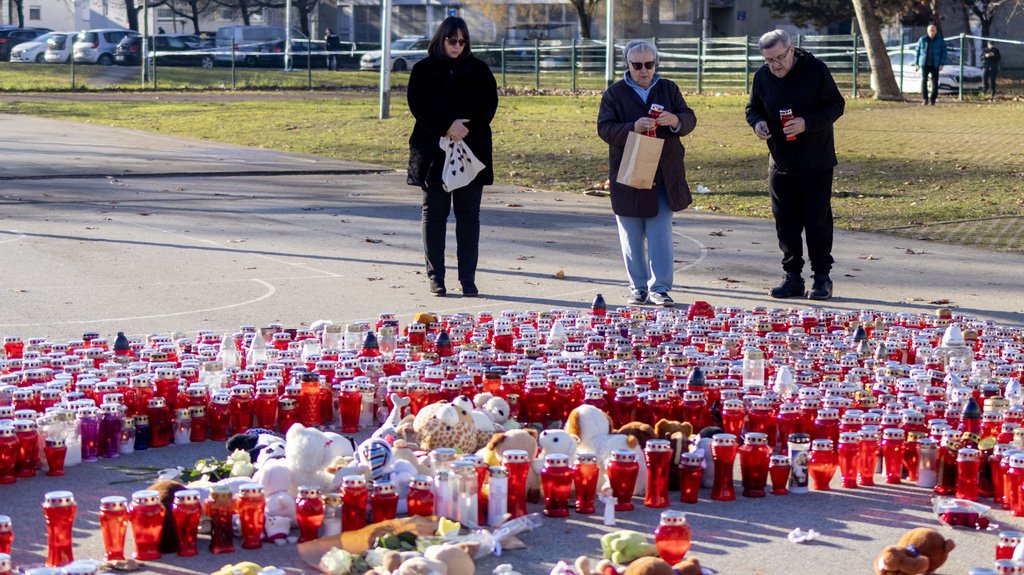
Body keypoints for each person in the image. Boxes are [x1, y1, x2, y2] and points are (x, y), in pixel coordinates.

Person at [745, 29, 845, 301]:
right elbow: (752, 108)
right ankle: (792, 277)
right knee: (786, 223)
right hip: (780, 162)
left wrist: (806, 123)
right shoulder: (762, 77)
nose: (774, 65)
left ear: (792, 50)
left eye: (779, 58)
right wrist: (758, 123)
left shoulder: (816, 69)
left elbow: (836, 105)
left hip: (816, 160)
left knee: (816, 221)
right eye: (768, 60)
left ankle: (822, 278)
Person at [597, 40, 697, 308]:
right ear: (627, 65)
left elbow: (689, 117)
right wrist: (633, 127)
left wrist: (675, 121)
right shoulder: (614, 93)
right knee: (630, 234)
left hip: (664, 171)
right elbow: (604, 129)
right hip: (628, 172)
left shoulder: (668, 88)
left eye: (649, 64)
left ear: (656, 64)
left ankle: (660, 288)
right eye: (637, 65)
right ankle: (637, 287)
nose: (644, 70)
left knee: (660, 233)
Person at [407, 17, 498, 297]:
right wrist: (446, 125)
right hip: (433, 152)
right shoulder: (423, 70)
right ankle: (437, 278)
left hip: (471, 151)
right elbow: (417, 104)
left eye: (462, 41)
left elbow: (489, 105)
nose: (458, 46)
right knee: (433, 216)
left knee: (468, 216)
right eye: (452, 40)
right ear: (441, 39)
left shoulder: (479, 70)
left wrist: (464, 130)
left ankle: (467, 279)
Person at [915, 24, 947, 105]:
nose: (932, 32)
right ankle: (925, 99)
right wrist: (916, 63)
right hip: (924, 64)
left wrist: (941, 64)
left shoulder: (940, 41)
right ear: (927, 31)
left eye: (933, 30)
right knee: (924, 81)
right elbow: (917, 51)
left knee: (935, 82)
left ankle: (933, 100)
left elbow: (944, 53)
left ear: (936, 31)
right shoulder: (922, 40)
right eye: (930, 30)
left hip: (935, 64)